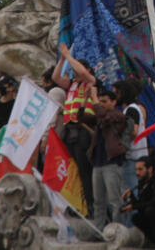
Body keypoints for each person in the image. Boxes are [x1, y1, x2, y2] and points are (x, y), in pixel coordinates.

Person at [52, 44, 99, 213]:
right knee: (77, 171)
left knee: (86, 171)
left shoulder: (91, 83)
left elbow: (85, 74)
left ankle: (92, 206)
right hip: (70, 131)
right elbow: (56, 77)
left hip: (84, 130)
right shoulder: (72, 84)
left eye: (77, 68)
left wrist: (68, 56)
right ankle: (82, 204)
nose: (74, 72)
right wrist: (63, 58)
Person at [90, 87, 129, 228]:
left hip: (112, 163)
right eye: (100, 101)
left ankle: (117, 229)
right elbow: (81, 118)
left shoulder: (118, 116)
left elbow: (102, 115)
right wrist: (83, 102)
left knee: (114, 199)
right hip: (97, 163)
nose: (101, 104)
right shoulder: (100, 116)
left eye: (105, 102)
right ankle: (98, 230)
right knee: (98, 201)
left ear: (114, 102)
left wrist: (94, 98)